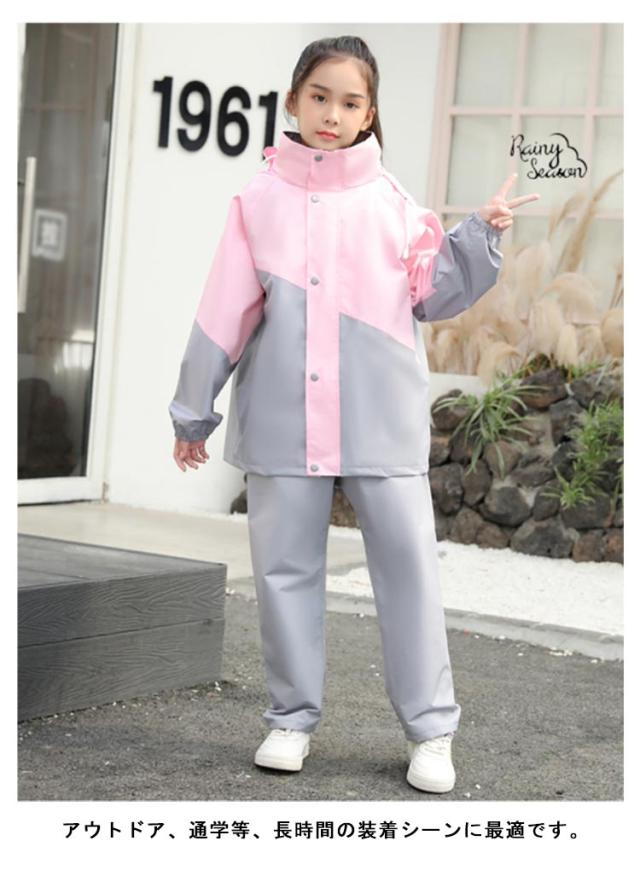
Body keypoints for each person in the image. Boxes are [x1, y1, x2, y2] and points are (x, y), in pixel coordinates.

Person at [169, 35, 540, 794]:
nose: (332, 115)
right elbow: (222, 311)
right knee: (284, 572)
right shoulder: (257, 203)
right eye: (319, 97)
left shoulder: (393, 203)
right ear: (293, 101)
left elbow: (434, 293)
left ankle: (431, 730)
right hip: (283, 417)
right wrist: (192, 410)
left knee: (408, 572)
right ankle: (289, 718)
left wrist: (480, 235)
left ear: (370, 114)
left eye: (350, 102)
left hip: (380, 417)